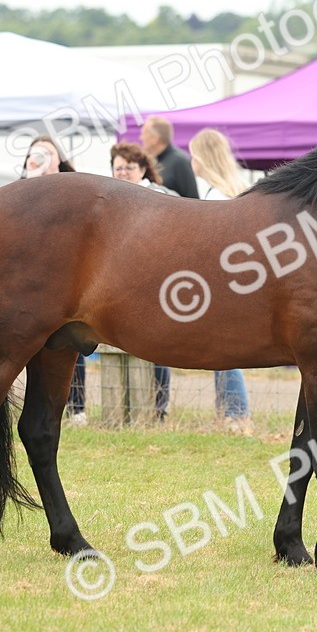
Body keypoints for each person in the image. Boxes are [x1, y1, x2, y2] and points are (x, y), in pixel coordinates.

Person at [188, 128, 253, 435]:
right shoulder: (238, 190)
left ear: (201, 159)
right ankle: (230, 414)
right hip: (240, 281)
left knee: (225, 354)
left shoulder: (215, 198)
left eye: (193, 155)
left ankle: (237, 415)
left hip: (222, 283)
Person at [21, 135, 88, 424]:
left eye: (47, 154)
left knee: (73, 349)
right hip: (32, 287)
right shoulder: (18, 195)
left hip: (69, 288)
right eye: (36, 154)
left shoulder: (77, 193)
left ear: (59, 159)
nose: (41, 159)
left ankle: (77, 406)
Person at [110, 142, 176, 422]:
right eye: (118, 168)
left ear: (143, 169)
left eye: (129, 167)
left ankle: (160, 407)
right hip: (123, 284)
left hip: (160, 281)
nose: (123, 173)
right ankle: (120, 411)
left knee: (160, 345)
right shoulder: (108, 198)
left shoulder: (163, 196)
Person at [138, 115, 199, 199]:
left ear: (156, 139)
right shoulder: (155, 160)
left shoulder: (179, 162)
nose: (141, 138)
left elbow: (193, 199)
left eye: (144, 133)